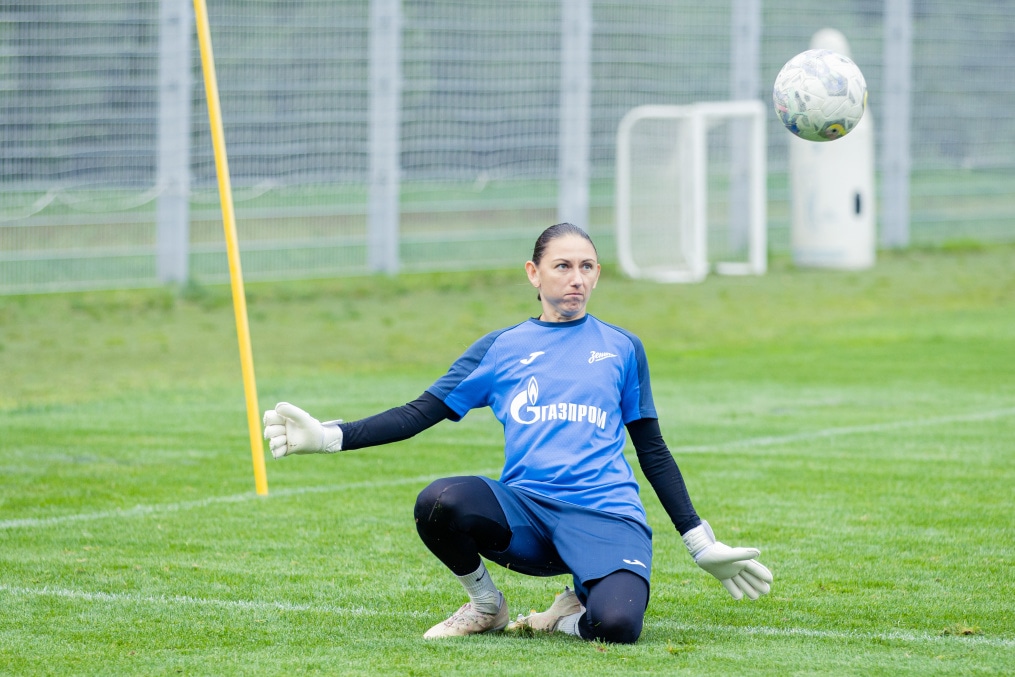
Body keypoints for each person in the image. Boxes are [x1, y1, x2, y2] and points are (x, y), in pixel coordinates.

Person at [263, 222, 772, 643]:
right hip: (526, 516)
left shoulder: (622, 348)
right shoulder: (501, 348)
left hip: (606, 517)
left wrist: (699, 543)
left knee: (615, 627)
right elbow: (419, 412)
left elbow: (652, 449)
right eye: (563, 266)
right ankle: (487, 605)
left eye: (587, 267)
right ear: (534, 273)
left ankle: (566, 613)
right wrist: (330, 436)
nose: (577, 279)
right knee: (439, 501)